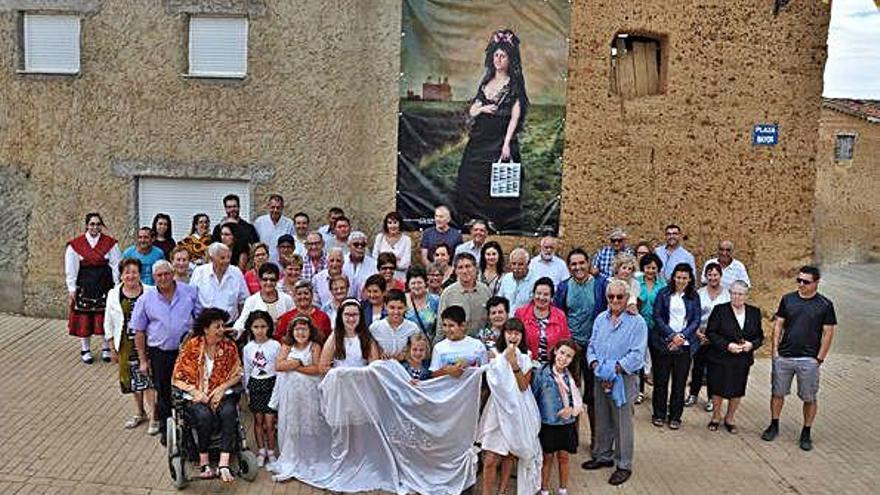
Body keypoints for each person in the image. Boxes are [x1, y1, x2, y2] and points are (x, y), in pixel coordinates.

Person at [455, 29, 530, 233]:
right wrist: (482, 109)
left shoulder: (514, 84)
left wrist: (507, 143)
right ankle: (474, 217)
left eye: (503, 55)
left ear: (510, 58)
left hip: (500, 140)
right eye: (496, 55)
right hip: (480, 138)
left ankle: (496, 220)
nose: (498, 59)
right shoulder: (486, 81)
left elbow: (515, 115)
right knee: (471, 174)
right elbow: (472, 110)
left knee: (498, 180)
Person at [761, 266, 837, 451]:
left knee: (809, 397)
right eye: (799, 280)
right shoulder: (788, 300)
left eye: (806, 282)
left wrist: (819, 359)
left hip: (809, 359)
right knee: (777, 393)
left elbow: (828, 333)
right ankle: (774, 424)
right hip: (784, 356)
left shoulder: (825, 305)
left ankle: (806, 431)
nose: (801, 284)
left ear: (816, 282)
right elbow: (779, 325)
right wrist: (775, 353)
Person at [582, 279, 648, 486]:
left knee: (622, 422)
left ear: (627, 298)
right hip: (600, 377)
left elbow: (637, 354)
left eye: (620, 296)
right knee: (602, 417)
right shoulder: (601, 318)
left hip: (622, 379)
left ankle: (623, 464)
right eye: (611, 297)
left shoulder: (637, 322)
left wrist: (614, 369)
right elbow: (591, 345)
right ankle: (603, 455)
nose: (615, 300)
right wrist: (594, 365)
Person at [131, 260, 202, 446]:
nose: (163, 278)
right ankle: (165, 429)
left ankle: (188, 428)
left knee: (188, 390)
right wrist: (143, 361)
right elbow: (139, 331)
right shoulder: (145, 299)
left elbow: (200, 319)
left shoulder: (190, 292)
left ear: (173, 274)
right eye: (159, 275)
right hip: (160, 353)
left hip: (187, 352)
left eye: (166, 274)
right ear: (154, 278)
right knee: (163, 393)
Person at [171, 307, 242, 482]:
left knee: (229, 412)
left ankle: (224, 463)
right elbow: (178, 375)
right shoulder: (192, 346)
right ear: (205, 328)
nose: (221, 330)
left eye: (222, 326)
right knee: (204, 417)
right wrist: (196, 392)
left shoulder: (229, 346)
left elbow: (238, 373)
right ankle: (204, 461)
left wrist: (221, 388)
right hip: (196, 394)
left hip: (222, 392)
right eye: (217, 326)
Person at [553, 247, 607, 447]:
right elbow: (558, 317)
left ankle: (596, 440)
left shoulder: (600, 285)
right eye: (573, 264)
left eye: (581, 263)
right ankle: (571, 438)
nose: (578, 267)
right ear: (569, 267)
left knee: (593, 396)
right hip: (572, 348)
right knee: (569, 392)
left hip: (594, 347)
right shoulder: (564, 287)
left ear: (588, 264)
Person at [479, 318, 539, 495]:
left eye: (517, 333)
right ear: (503, 334)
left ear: (521, 336)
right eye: (509, 332)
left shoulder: (526, 356)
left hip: (518, 411)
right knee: (490, 458)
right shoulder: (494, 354)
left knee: (510, 454)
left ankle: (502, 490)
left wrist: (514, 364)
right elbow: (491, 383)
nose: (513, 336)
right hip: (497, 410)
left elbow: (523, 386)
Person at [268, 315, 328, 482]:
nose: (301, 332)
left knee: (309, 423)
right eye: (297, 329)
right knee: (292, 423)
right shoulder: (287, 345)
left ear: (310, 331)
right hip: (291, 395)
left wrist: (296, 366)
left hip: (309, 393)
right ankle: (292, 458)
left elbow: (317, 368)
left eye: (304, 329)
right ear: (292, 331)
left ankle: (311, 458)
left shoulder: (315, 346)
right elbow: (279, 365)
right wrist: (297, 364)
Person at [104, 258, 156, 433]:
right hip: (125, 344)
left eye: (134, 272)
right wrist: (111, 347)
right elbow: (108, 321)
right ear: (121, 275)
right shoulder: (113, 294)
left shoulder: (150, 292)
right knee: (133, 382)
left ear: (140, 274)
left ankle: (154, 418)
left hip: (147, 344)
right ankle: (140, 413)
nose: (130, 276)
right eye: (127, 272)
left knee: (148, 381)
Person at [705, 280, 763, 433]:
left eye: (740, 294)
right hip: (721, 356)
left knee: (737, 389)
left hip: (742, 358)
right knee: (717, 388)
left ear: (746, 295)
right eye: (734, 293)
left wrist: (751, 345)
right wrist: (727, 345)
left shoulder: (754, 312)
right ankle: (716, 417)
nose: (737, 297)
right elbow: (711, 332)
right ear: (730, 294)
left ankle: (729, 418)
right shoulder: (719, 310)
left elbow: (759, 336)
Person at [650, 263, 701, 429]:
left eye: (684, 278)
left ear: (690, 279)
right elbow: (657, 317)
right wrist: (671, 336)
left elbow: (696, 320)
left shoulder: (694, 296)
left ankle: (675, 416)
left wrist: (682, 336)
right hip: (663, 343)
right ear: (673, 277)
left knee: (679, 383)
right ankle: (659, 413)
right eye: (678, 277)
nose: (681, 280)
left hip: (684, 345)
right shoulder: (663, 293)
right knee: (661, 381)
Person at [65, 212, 121, 363]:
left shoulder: (111, 243)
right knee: (84, 318)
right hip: (84, 285)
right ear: (86, 225)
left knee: (105, 317)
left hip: (104, 285)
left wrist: (117, 286)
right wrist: (72, 289)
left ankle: (105, 348)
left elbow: (116, 266)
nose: (95, 227)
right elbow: (71, 269)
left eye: (97, 224)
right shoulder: (75, 245)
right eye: (92, 224)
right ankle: (85, 349)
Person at [532, 340, 582, 495]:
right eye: (562, 353)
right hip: (548, 423)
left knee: (564, 457)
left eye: (569, 356)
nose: (564, 358)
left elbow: (577, 400)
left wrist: (572, 410)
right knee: (547, 458)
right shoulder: (541, 373)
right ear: (555, 352)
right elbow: (534, 397)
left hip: (567, 424)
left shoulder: (571, 377)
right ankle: (544, 489)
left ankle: (563, 489)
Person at [686, 263, 730, 411]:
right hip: (700, 334)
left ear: (720, 276)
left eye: (715, 274)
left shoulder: (727, 294)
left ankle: (712, 397)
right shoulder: (699, 293)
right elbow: (693, 314)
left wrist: (717, 336)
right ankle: (693, 394)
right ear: (706, 276)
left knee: (714, 369)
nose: (713, 278)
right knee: (697, 366)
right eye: (710, 275)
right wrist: (697, 332)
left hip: (718, 336)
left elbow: (728, 317)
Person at [241, 310, 281, 467]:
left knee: (270, 423)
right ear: (250, 328)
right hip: (256, 384)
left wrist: (279, 390)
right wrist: (247, 391)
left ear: (269, 327)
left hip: (271, 384)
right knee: (258, 421)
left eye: (263, 326)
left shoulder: (275, 345)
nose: (260, 330)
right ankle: (261, 451)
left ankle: (271, 451)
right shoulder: (248, 348)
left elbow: (278, 369)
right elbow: (247, 370)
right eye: (256, 326)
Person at [436, 253, 492, 342]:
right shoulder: (448, 293)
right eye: (460, 267)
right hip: (455, 345)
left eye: (468, 266)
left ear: (475, 268)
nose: (465, 271)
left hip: (480, 344)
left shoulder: (485, 291)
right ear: (456, 271)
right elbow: (440, 324)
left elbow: (490, 321)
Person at [189, 243, 248, 324]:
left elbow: (243, 301)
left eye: (228, 257)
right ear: (212, 259)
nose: (227, 261)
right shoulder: (199, 272)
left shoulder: (236, 272)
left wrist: (240, 325)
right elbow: (190, 300)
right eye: (222, 258)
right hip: (205, 327)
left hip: (230, 325)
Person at [516, 277, 571, 363]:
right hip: (527, 364)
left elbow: (566, 342)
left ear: (551, 297)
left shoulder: (560, 316)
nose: (541, 297)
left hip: (553, 365)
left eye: (546, 294)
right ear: (533, 294)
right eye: (538, 293)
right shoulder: (521, 314)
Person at [635, 253, 666, 404]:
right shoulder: (636, 282)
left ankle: (658, 391)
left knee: (658, 359)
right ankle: (639, 390)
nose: (650, 271)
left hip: (657, 327)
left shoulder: (663, 285)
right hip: (640, 326)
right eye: (648, 267)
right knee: (639, 359)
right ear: (643, 268)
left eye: (654, 268)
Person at [233, 263, 294, 339]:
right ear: (259, 280)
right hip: (258, 343)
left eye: (272, 279)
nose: (268, 283)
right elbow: (242, 321)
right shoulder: (252, 300)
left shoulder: (287, 299)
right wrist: (235, 331)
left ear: (277, 280)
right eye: (265, 279)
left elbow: (293, 321)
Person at [319, 299, 381, 371]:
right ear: (341, 316)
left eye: (355, 314)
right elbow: (322, 367)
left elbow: (375, 367)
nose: (351, 319)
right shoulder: (334, 337)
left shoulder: (367, 337)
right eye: (347, 315)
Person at [430, 306, 489, 378]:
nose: (447, 330)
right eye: (444, 325)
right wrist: (447, 371)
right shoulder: (438, 348)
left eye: (451, 325)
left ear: (463, 326)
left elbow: (486, 372)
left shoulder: (478, 346)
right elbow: (433, 375)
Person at [370, 289, 421, 360]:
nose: (396, 312)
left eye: (400, 308)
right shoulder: (375, 327)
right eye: (392, 308)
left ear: (405, 307)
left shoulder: (412, 328)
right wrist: (379, 353)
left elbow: (418, 350)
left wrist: (406, 355)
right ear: (385, 306)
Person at [253, 194, 294, 263]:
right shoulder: (259, 222)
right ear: (268, 207)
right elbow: (256, 245)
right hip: (264, 263)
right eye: (273, 207)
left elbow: (292, 245)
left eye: (278, 207)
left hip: (283, 263)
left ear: (282, 208)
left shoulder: (289, 224)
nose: (275, 210)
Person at [372, 211, 412, 281]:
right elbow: (374, 259)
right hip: (381, 277)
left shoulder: (406, 240)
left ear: (400, 224)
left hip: (400, 278)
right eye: (390, 223)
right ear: (386, 225)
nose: (392, 226)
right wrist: (396, 260)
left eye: (395, 222)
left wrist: (384, 261)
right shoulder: (380, 237)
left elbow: (405, 264)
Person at [404, 267, 440, 341]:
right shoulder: (404, 300)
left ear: (426, 283)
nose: (417, 286)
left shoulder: (435, 300)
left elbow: (439, 325)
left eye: (419, 283)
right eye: (413, 283)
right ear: (408, 285)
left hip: (429, 344)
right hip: (409, 345)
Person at [498, 247, 538, 313]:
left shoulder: (535, 281)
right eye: (514, 264)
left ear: (528, 264)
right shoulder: (506, 278)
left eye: (520, 264)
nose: (516, 268)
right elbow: (500, 299)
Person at [342, 231, 377, 298]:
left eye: (363, 244)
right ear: (349, 245)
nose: (360, 247)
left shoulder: (373, 264)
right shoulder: (342, 262)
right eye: (356, 244)